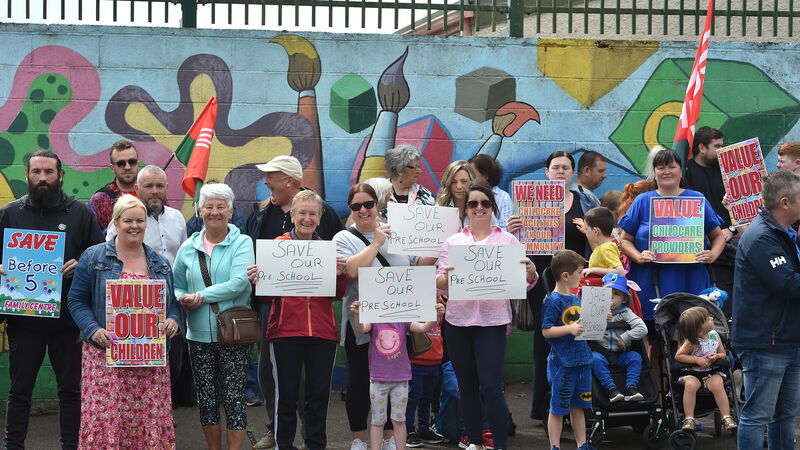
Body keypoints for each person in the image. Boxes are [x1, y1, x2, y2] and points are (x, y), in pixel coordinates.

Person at [0, 149, 103, 449]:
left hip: (69, 321)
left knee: (70, 391)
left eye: (48, 172)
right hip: (24, 321)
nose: (42, 178)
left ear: (61, 175)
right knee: (19, 392)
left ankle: (71, 446)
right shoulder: (10, 213)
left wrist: (81, 264)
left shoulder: (80, 213)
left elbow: (101, 259)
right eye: (36, 172)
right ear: (27, 175)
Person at [67, 194, 182, 448]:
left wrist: (173, 320)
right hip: (105, 360)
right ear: (116, 223)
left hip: (149, 365)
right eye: (128, 220)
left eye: (140, 221)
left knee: (146, 422)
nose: (134, 226)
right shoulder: (93, 257)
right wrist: (92, 329)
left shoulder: (160, 263)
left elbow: (172, 302)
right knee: (106, 421)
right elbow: (76, 300)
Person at [246, 154, 344, 449]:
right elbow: (267, 295)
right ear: (292, 216)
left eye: (312, 214)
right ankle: (283, 444)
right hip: (285, 332)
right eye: (302, 213)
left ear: (320, 218)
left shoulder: (327, 249)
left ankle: (315, 445)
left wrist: (339, 274)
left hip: (323, 334)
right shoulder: (278, 246)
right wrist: (259, 279)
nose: (307, 219)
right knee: (285, 397)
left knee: (318, 398)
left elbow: (336, 294)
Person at [436, 181, 538, 450]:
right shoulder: (454, 242)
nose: (479, 207)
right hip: (458, 322)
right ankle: (474, 442)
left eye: (485, 202)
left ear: (492, 207)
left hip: (493, 323)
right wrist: (444, 279)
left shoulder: (508, 241)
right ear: (466, 208)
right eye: (473, 203)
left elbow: (523, 284)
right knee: (466, 386)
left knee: (491, 386)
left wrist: (531, 273)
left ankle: (499, 444)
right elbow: (440, 284)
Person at [505, 150, 594, 421]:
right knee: (545, 344)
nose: (560, 172)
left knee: (579, 339)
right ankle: (545, 409)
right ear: (546, 172)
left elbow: (601, 242)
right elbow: (516, 248)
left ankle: (577, 407)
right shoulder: (529, 202)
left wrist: (590, 232)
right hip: (541, 283)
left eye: (566, 167)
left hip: (577, 284)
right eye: (555, 167)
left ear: (573, 173)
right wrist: (511, 232)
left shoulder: (586, 201)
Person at [172, 183, 255, 450]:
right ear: (200, 210)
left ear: (231, 211)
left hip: (234, 333)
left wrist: (200, 296)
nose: (214, 212)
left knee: (233, 398)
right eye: (209, 206)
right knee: (207, 400)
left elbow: (239, 283)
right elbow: (176, 284)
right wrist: (182, 298)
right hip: (197, 335)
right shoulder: (188, 246)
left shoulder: (242, 243)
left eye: (221, 206)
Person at [333, 183, 415, 450]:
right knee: (358, 382)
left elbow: (416, 267)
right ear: (350, 209)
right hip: (361, 325)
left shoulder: (398, 233)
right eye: (356, 206)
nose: (363, 210)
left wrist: (434, 250)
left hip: (395, 325)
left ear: (376, 205)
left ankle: (389, 438)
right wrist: (377, 242)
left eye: (368, 204)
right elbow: (351, 270)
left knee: (393, 380)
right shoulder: (343, 238)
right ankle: (359, 438)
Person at [618, 148, 725, 324]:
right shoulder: (642, 201)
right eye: (661, 167)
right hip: (650, 280)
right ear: (654, 173)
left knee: (694, 329)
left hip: (691, 278)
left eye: (672, 167)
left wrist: (713, 254)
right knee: (651, 331)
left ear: (681, 171)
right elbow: (625, 240)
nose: (666, 171)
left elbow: (718, 236)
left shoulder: (697, 199)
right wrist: (638, 256)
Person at [732, 170, 800, 449]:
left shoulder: (783, 233)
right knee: (757, 415)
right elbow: (788, 284)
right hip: (765, 342)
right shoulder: (762, 237)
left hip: (785, 338)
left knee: (784, 415)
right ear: (785, 202)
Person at [349, 300, 444, 450]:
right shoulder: (374, 318)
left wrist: (435, 315)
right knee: (377, 421)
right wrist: (357, 315)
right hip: (378, 380)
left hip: (401, 380)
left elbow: (423, 327)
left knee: (399, 420)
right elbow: (361, 328)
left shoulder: (403, 319)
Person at [541, 249, 593, 450]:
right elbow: (546, 331)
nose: (582, 275)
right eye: (579, 272)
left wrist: (600, 319)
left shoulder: (576, 298)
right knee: (558, 408)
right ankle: (554, 446)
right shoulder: (552, 300)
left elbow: (583, 326)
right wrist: (569, 329)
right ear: (565, 276)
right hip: (562, 364)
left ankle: (582, 445)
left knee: (579, 406)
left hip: (582, 360)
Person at [684, 127, 738, 318]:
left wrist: (731, 229)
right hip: (697, 249)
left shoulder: (726, 172)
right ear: (702, 148)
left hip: (727, 247)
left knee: (725, 301)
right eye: (717, 146)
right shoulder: (686, 172)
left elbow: (740, 204)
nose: (721, 150)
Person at [675, 306, 737, 431]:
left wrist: (716, 357)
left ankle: (726, 417)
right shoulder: (691, 342)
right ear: (699, 331)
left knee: (718, 384)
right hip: (693, 373)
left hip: (711, 372)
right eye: (707, 319)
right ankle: (689, 418)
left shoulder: (715, 336)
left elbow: (723, 354)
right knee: (690, 385)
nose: (711, 318)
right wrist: (696, 360)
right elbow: (679, 356)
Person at [591, 273, 646, 403]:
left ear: (624, 299)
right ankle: (611, 389)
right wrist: (600, 320)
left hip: (620, 352)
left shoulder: (626, 313)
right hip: (601, 352)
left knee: (635, 357)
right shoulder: (595, 310)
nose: (611, 297)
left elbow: (642, 328)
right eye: (607, 293)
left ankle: (631, 387)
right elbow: (587, 331)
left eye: (616, 294)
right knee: (593, 358)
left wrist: (625, 337)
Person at [405, 315, 446, 448]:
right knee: (413, 397)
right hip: (416, 359)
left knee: (427, 397)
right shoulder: (416, 305)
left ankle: (423, 428)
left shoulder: (441, 306)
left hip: (435, 360)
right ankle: (408, 430)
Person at [88, 140, 139, 234]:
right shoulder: (99, 200)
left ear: (137, 164)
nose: (127, 167)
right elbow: (91, 237)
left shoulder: (150, 195)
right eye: (121, 163)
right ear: (112, 168)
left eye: (132, 162)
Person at [381, 144, 435, 218]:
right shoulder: (380, 193)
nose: (419, 171)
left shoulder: (424, 194)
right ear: (400, 170)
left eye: (418, 166)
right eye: (415, 167)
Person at [469, 154, 513, 229]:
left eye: (472, 173)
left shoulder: (503, 198)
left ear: (485, 176)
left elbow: (505, 229)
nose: (469, 177)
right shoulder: (467, 195)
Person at [580, 206, 625, 278]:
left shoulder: (606, 249)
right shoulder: (602, 247)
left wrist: (593, 270)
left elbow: (620, 272)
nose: (585, 231)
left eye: (586, 229)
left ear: (595, 231)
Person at [435, 160, 477, 227]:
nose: (459, 187)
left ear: (473, 182)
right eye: (453, 182)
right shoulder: (439, 209)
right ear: (448, 184)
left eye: (464, 181)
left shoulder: (482, 207)